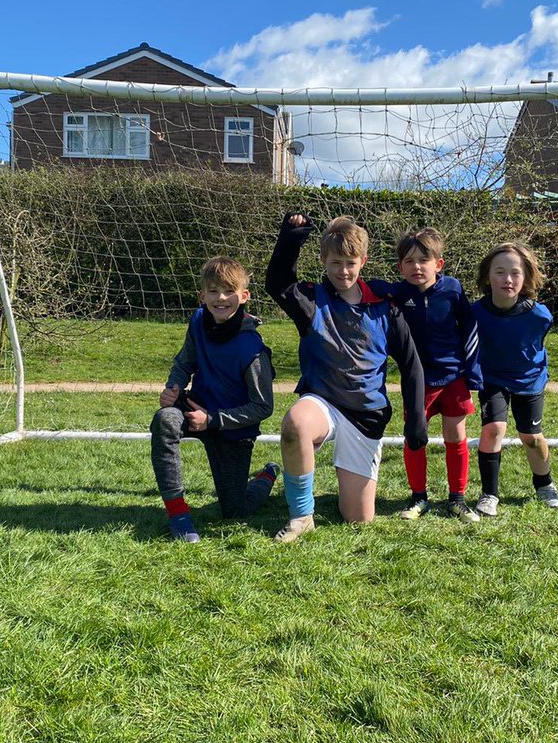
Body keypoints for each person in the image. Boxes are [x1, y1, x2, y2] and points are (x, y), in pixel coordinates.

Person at [266, 213, 427, 542]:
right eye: (335, 262)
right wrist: (291, 237)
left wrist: (416, 420)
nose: (343, 271)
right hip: (323, 400)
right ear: (324, 260)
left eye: (350, 263)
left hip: (366, 414)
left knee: (358, 519)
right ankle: (302, 516)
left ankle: (340, 492)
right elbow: (278, 283)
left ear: (363, 261)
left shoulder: (385, 306)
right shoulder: (312, 301)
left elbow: (411, 365)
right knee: (295, 424)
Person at [150, 256, 279, 542]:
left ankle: (267, 475)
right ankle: (178, 515)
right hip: (194, 408)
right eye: (213, 291)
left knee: (235, 511)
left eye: (229, 291)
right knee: (164, 420)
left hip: (232, 427)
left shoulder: (252, 349)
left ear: (244, 296)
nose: (221, 298)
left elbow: (263, 407)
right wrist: (174, 386)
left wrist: (213, 420)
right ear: (202, 295)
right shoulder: (197, 320)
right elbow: (185, 361)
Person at [390, 227, 483, 522]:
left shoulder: (453, 289)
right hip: (417, 380)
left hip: (453, 376)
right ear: (400, 266)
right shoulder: (395, 293)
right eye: (409, 261)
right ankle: (418, 497)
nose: (417, 267)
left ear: (438, 264)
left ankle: (457, 498)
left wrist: (473, 372)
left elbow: (470, 328)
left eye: (424, 260)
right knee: (415, 436)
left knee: (456, 435)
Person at [471, 242, 558, 516]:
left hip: (528, 379)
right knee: (493, 429)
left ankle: (545, 485)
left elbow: (538, 346)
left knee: (531, 436)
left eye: (515, 273)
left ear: (526, 278)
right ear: (488, 276)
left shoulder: (539, 315)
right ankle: (489, 494)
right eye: (499, 272)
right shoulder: (476, 312)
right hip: (492, 378)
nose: (507, 279)